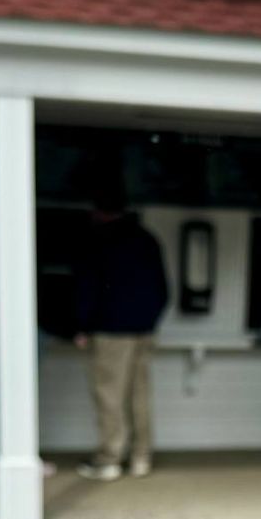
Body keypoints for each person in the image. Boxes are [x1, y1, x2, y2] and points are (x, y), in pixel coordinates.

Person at [74, 187, 168, 481]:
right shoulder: (147, 239)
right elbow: (164, 290)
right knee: (139, 394)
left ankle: (110, 459)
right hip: (143, 330)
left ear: (98, 211)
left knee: (109, 396)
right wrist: (149, 320)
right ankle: (141, 457)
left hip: (110, 330)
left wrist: (82, 325)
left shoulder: (98, 239)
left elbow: (87, 287)